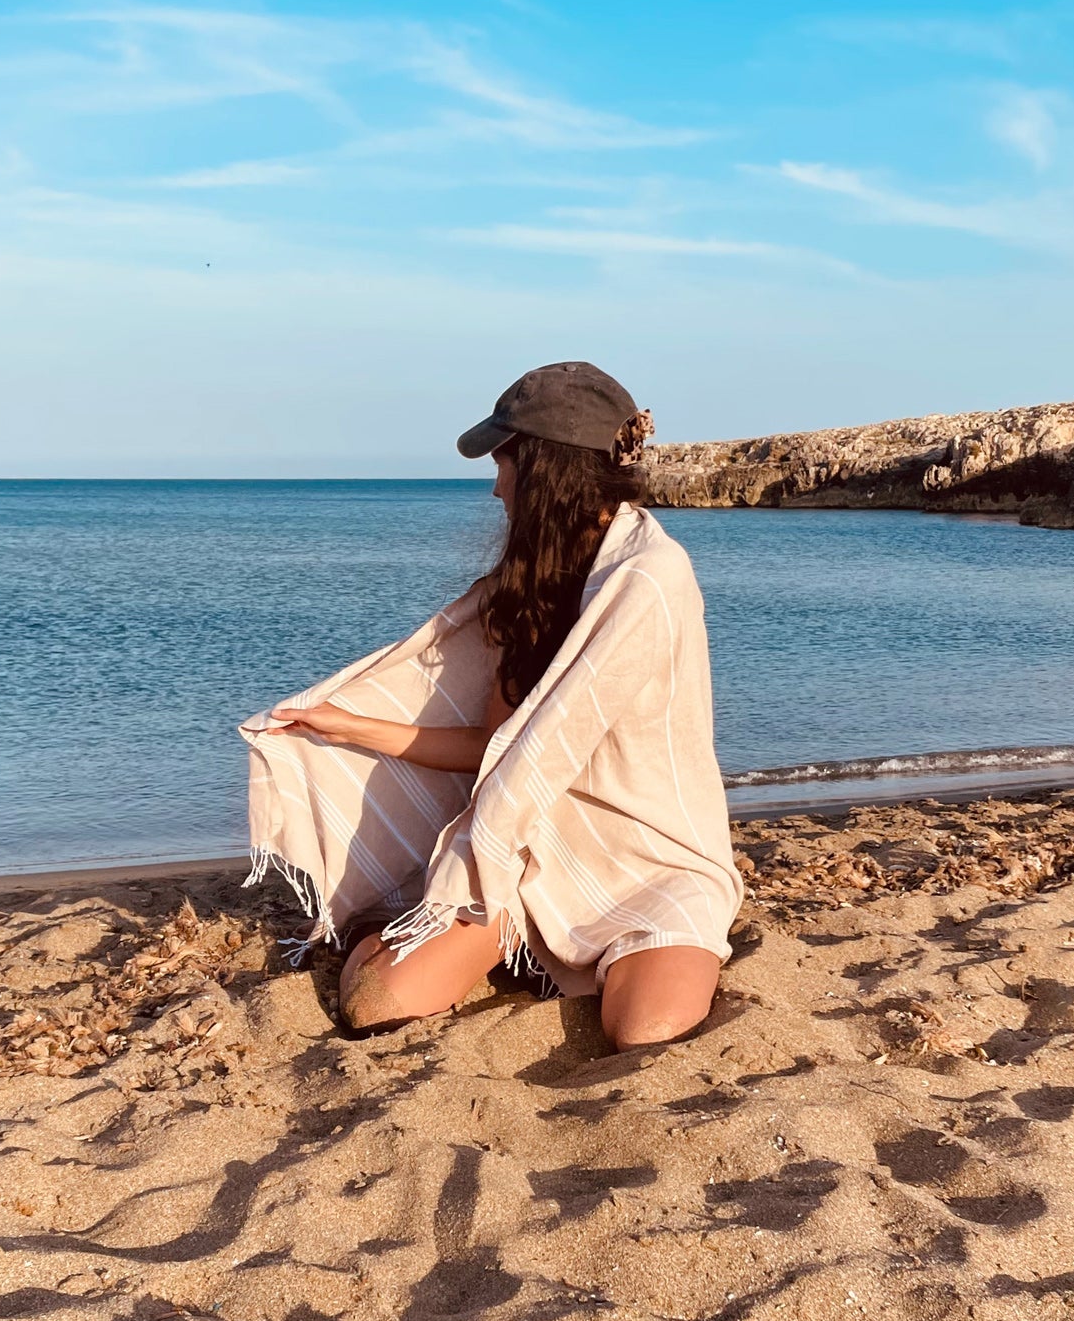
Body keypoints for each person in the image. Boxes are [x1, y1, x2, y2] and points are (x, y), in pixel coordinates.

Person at [239, 361, 742, 1050]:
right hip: (524, 852)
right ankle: (392, 927)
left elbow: (547, 749)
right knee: (375, 1004)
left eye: (505, 462)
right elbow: (495, 746)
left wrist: (477, 852)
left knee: (642, 1029)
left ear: (544, 468)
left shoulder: (648, 579)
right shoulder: (530, 584)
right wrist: (348, 727)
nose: (497, 485)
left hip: (649, 855)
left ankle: (552, 945)